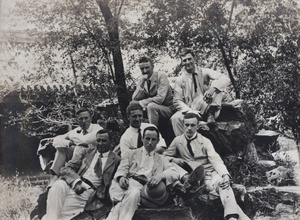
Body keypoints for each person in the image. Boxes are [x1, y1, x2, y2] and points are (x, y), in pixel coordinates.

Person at [164, 113, 250, 220]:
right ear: (183, 125)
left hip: (210, 173)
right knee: (170, 164)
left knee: (224, 185)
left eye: (192, 125)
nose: (189, 128)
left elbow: (215, 160)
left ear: (198, 126)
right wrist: (175, 159)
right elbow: (165, 157)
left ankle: (232, 217)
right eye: (187, 125)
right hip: (193, 175)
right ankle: (188, 180)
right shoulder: (177, 141)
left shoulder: (205, 141)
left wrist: (225, 175)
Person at [41, 129, 121, 220]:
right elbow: (67, 168)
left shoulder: (116, 160)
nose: (100, 143)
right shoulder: (87, 152)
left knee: (62, 214)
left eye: (104, 141)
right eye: (98, 140)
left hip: (89, 190)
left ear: (111, 142)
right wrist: (76, 181)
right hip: (73, 182)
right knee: (57, 186)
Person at [106, 126, 178, 220]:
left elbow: (174, 172)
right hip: (126, 184)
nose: (150, 142)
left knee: (131, 195)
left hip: (144, 189)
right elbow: (122, 169)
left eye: (153, 139)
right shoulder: (130, 153)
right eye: (147, 138)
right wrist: (121, 177)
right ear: (142, 139)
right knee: (129, 196)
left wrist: (160, 176)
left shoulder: (161, 159)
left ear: (158, 141)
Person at [171, 48, 230, 135]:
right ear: (182, 63)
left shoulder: (204, 71)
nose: (187, 62)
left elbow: (225, 79)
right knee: (175, 118)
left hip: (209, 109)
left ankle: (211, 115)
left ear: (194, 59)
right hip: (192, 110)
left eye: (189, 59)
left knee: (217, 83)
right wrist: (190, 111)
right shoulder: (180, 79)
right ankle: (183, 144)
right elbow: (177, 101)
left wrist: (212, 89)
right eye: (184, 60)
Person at [131, 55, 175, 127]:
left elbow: (160, 98)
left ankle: (152, 131)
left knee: (151, 106)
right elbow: (134, 99)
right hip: (152, 109)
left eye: (147, 67)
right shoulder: (142, 80)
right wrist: (142, 83)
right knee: (132, 105)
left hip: (168, 108)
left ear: (152, 66)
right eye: (142, 69)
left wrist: (141, 102)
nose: (145, 71)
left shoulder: (161, 76)